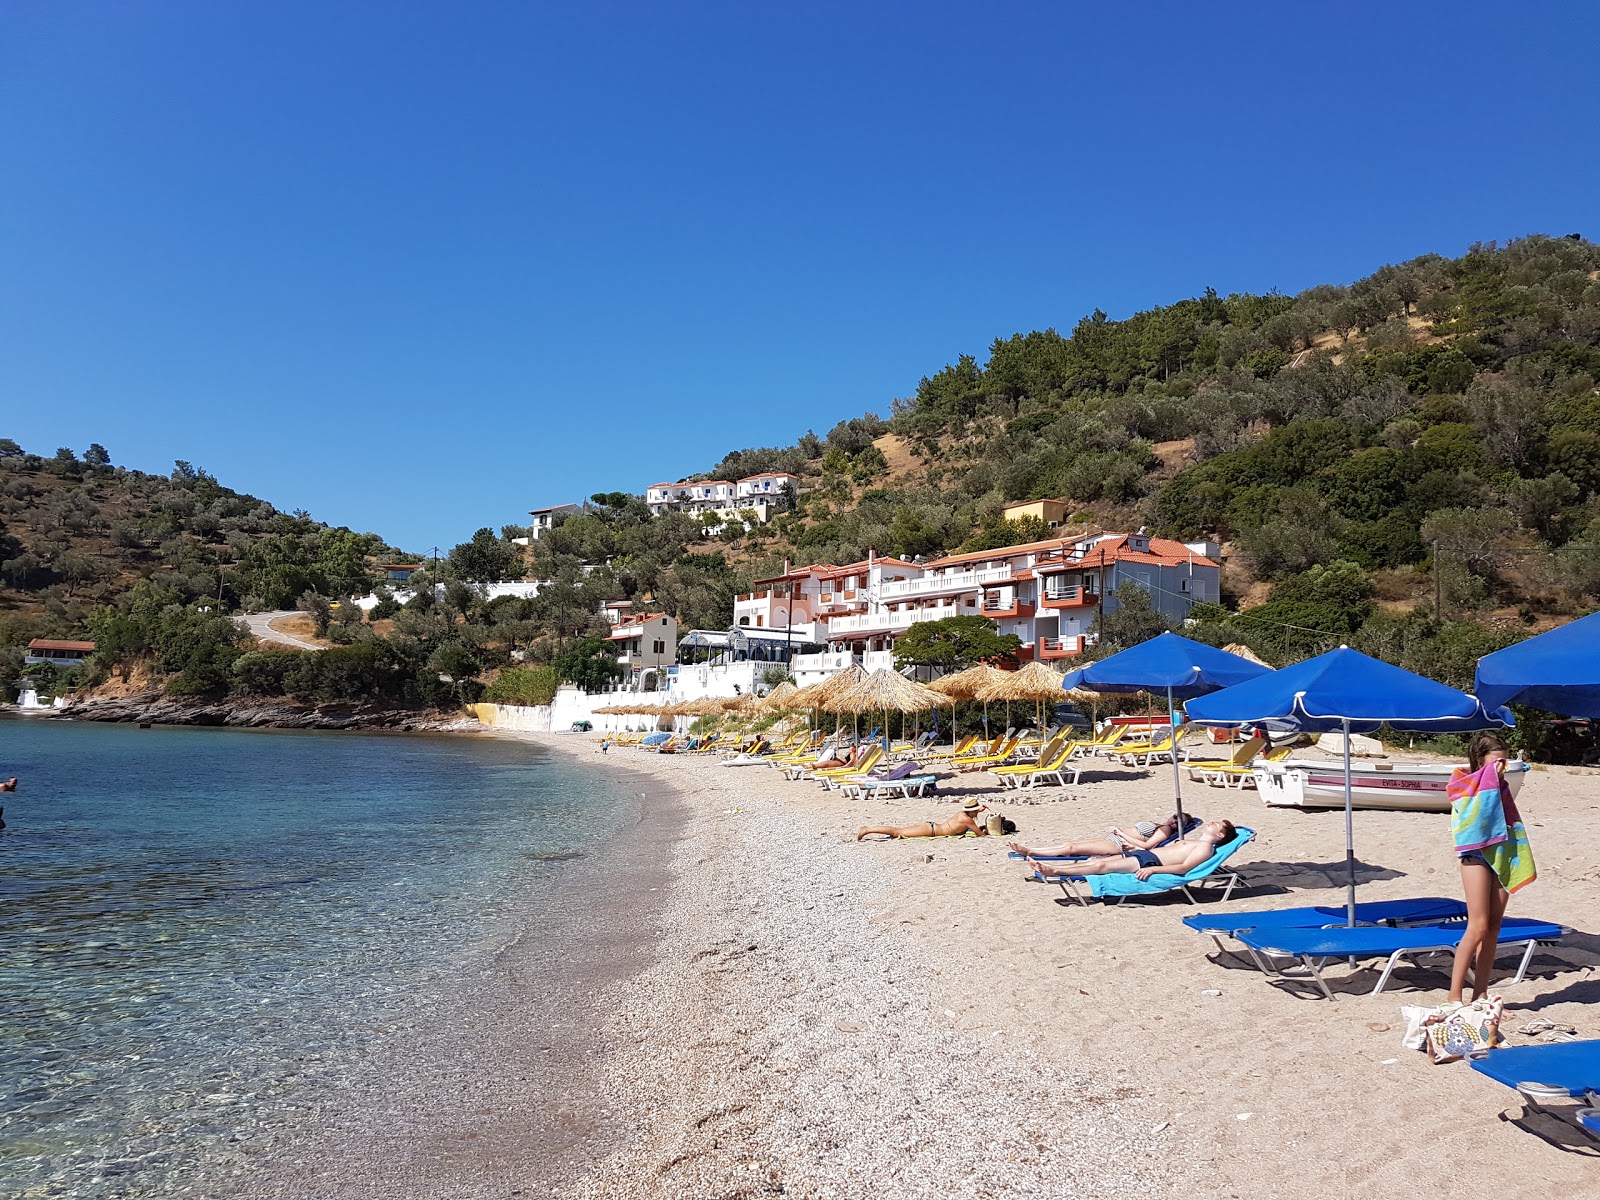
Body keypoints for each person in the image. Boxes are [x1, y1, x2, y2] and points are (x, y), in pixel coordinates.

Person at [1446, 733, 1536, 1004]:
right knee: (1478, 925)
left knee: (1495, 926)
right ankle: (1453, 996)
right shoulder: (1464, 785)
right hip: (1475, 855)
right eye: (1496, 761)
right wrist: (1489, 779)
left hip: (1503, 852)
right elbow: (1475, 819)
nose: (1501, 767)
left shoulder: (1501, 785)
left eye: (1504, 761)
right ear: (1479, 759)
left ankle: (1481, 993)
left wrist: (1496, 780)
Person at [1024, 820, 1236, 881]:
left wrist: (1153, 871)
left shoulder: (1205, 848)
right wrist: (1135, 846)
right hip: (1143, 855)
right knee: (1092, 861)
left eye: (1217, 825)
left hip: (1150, 863)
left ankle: (1053, 871)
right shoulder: (1191, 840)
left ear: (1220, 835)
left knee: (1101, 865)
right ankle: (1050, 866)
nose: (1212, 823)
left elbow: (1182, 868)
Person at [1006, 812, 1201, 860]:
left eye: (1179, 823)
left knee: (1073, 849)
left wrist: (1121, 833)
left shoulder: (1165, 831)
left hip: (1116, 845)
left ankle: (1031, 851)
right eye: (1175, 817)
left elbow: (1148, 847)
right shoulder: (1162, 824)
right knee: (1071, 844)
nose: (1174, 821)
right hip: (1114, 840)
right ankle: (1034, 850)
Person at [858, 798, 988, 841]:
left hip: (932, 827)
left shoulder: (962, 814)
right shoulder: (967, 820)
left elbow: (971, 814)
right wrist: (985, 832)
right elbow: (979, 834)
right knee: (896, 832)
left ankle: (868, 830)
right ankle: (867, 830)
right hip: (931, 830)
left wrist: (979, 809)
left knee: (898, 830)